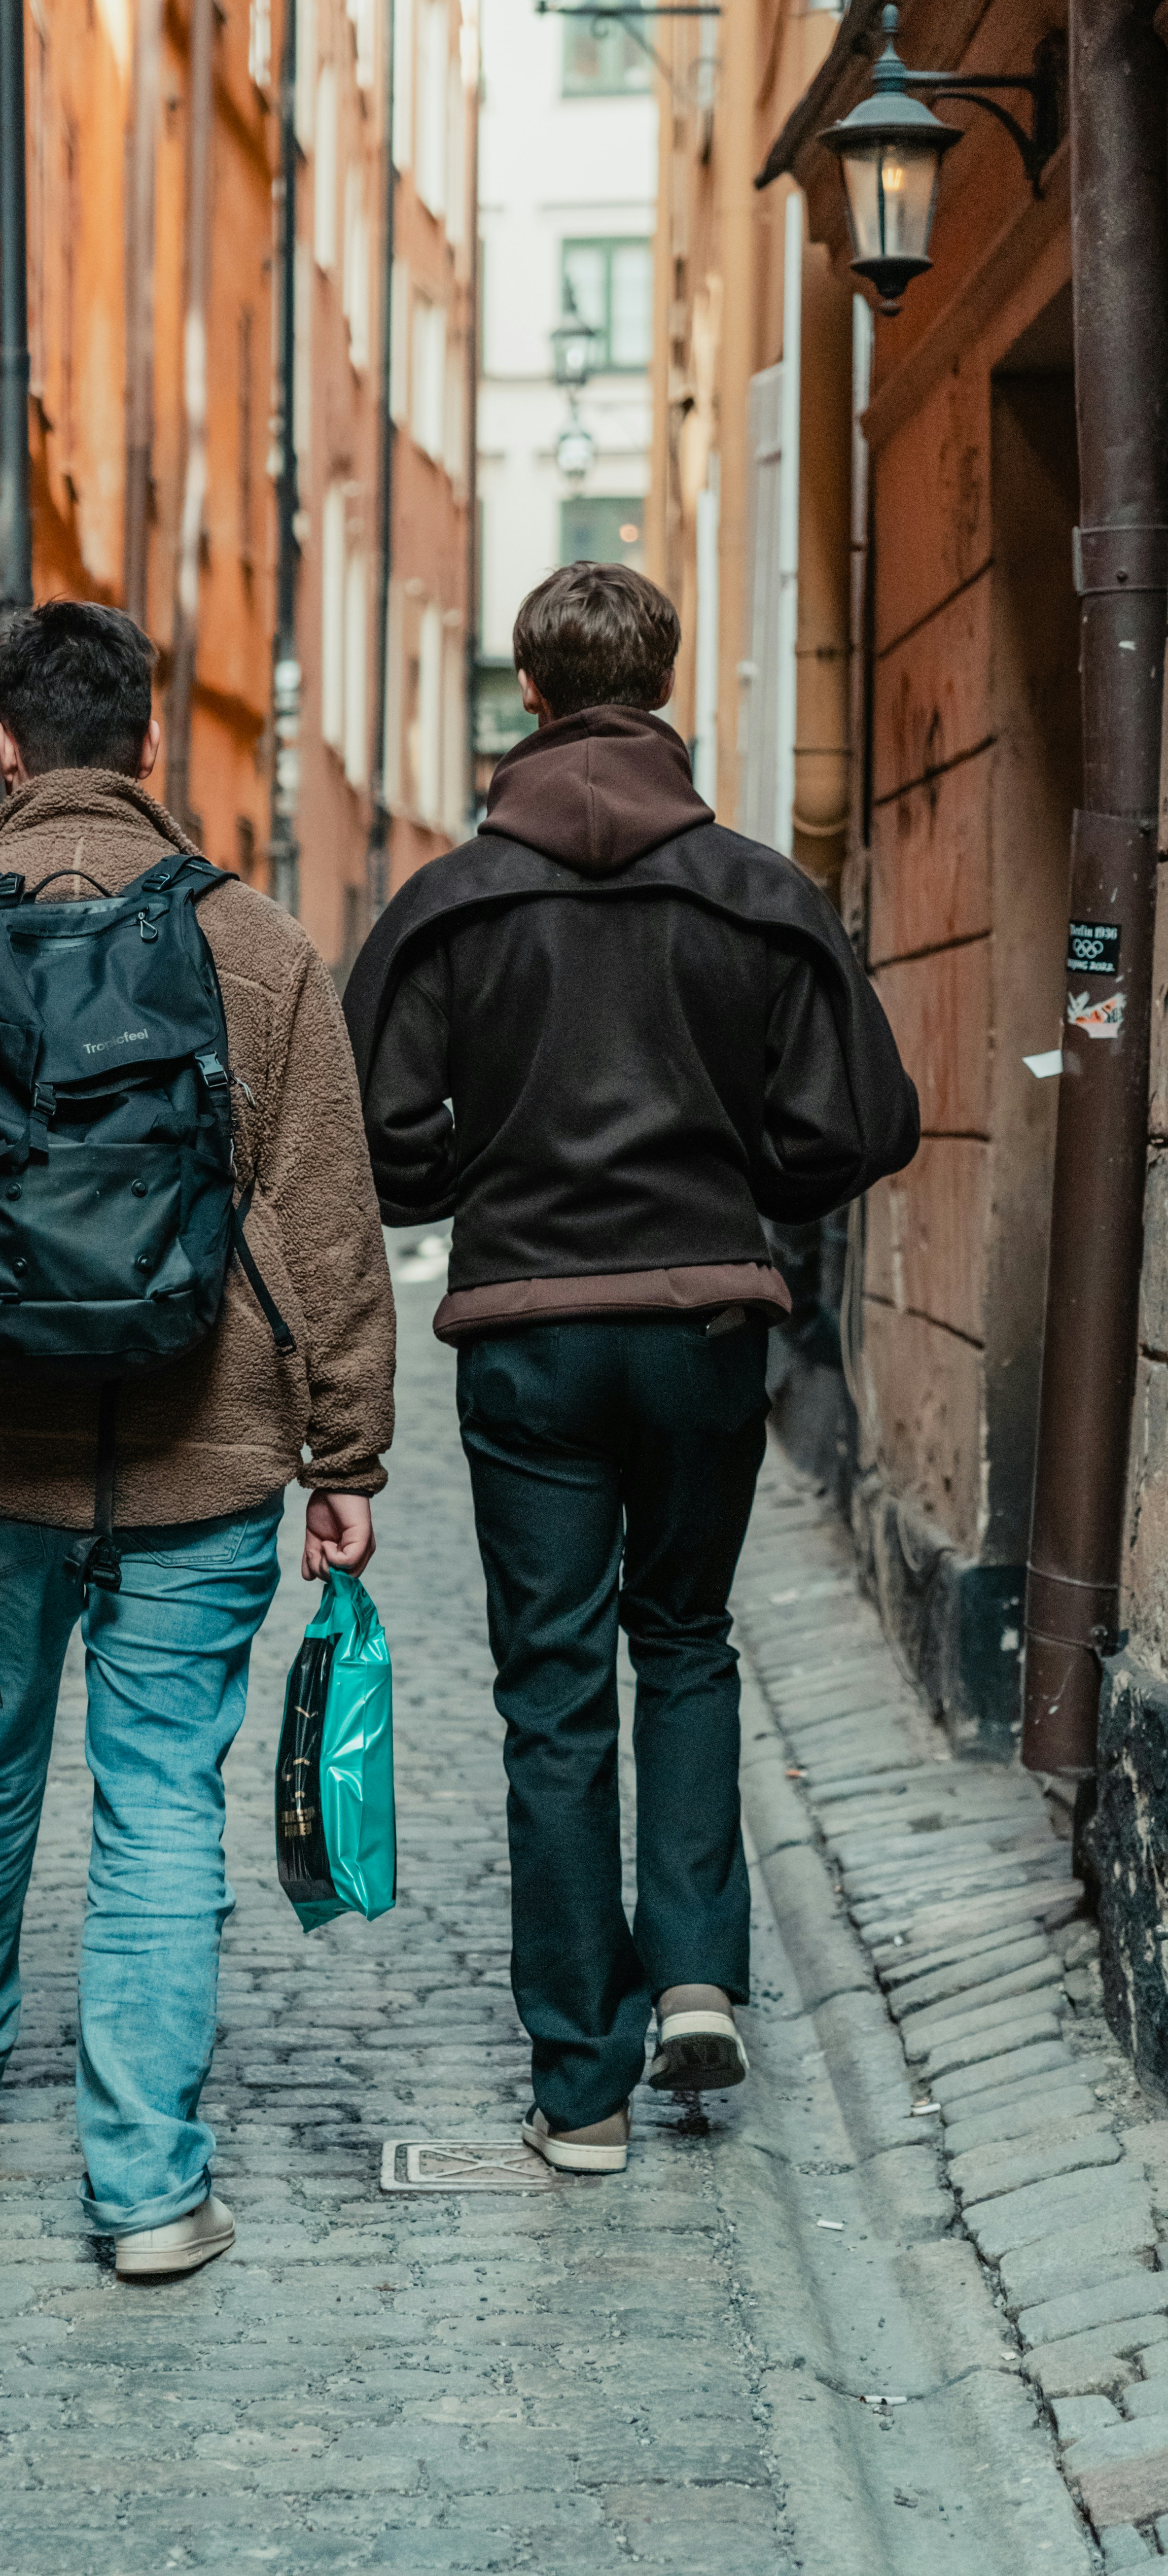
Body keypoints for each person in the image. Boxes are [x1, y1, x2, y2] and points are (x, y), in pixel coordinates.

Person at [0, 600, 393, 2278]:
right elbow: (334, 1232)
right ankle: (144, 2191)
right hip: (209, 1468)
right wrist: (343, 1463)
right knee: (156, 1802)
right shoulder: (263, 950)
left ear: (3, 743)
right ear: (150, 743)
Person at [345, 561, 918, 2173]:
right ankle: (691, 1975)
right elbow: (863, 1121)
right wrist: (739, 1180)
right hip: (706, 1332)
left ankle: (581, 2088)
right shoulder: (756, 893)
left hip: (527, 1339)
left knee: (548, 1696)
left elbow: (375, 1140)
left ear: (527, 695)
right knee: (683, 1641)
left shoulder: (452, 906)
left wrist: (489, 1172)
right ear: (664, 684)